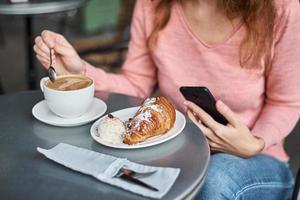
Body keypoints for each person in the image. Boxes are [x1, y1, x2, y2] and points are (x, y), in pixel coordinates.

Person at [34, 0, 300, 199]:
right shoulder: (153, 4)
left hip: (256, 159)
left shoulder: (282, 8)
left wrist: (253, 144)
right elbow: (136, 85)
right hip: (176, 154)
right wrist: (81, 72)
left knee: (214, 179)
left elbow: (286, 102)